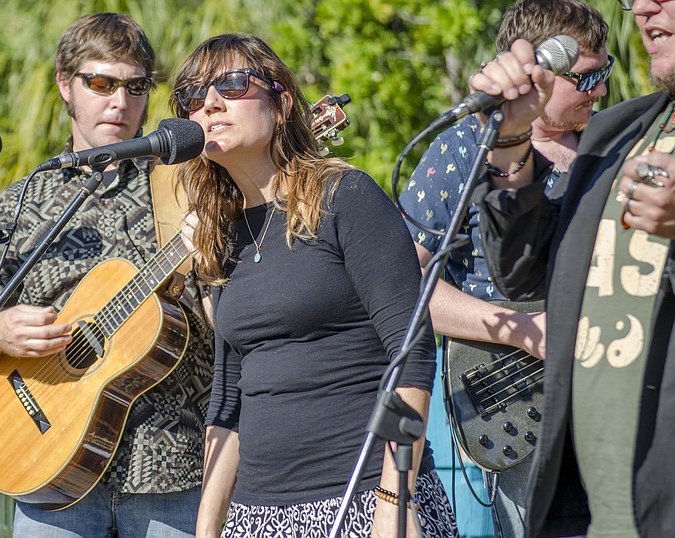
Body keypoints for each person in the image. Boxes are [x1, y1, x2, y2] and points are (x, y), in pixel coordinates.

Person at [169, 33, 458, 538]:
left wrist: (394, 499)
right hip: (259, 516)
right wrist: (206, 527)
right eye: (194, 95)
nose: (210, 102)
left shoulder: (346, 196)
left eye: (233, 85)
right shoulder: (222, 234)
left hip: (366, 496)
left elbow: (411, 356)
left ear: (282, 103)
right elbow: (229, 398)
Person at [0, 13, 212, 537]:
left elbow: (228, 326)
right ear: (66, 85)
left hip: (170, 474)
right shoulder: (25, 200)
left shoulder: (185, 189)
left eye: (136, 87)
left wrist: (210, 262)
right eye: (102, 83)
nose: (120, 101)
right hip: (48, 470)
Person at [398, 1, 610, 536]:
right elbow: (404, 287)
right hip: (515, 407)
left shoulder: (613, 146)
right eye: (586, 78)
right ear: (536, 72)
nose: (601, 91)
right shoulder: (458, 151)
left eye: (605, 74)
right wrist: (522, 331)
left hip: (610, 401)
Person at [467, 0, 675, 535]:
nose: (645, 7)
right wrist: (512, 138)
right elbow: (523, 271)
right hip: (591, 500)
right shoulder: (619, 133)